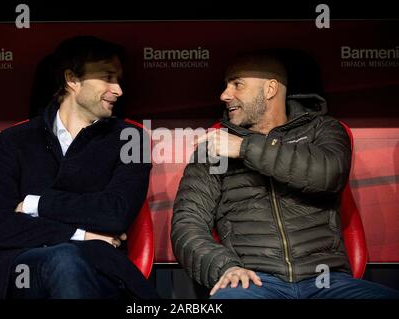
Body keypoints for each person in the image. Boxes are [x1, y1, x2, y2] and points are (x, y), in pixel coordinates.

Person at [171, 50, 399, 299]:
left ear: (270, 89)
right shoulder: (213, 147)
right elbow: (187, 225)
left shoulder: (322, 129)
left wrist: (244, 148)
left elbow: (329, 174)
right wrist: (226, 267)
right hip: (254, 282)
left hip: (326, 281)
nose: (225, 95)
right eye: (226, 85)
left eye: (237, 84)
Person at [0, 36, 158, 299]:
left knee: (67, 262)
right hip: (23, 273)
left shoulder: (133, 139)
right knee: (64, 257)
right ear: (72, 79)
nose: (118, 90)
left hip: (99, 271)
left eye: (119, 80)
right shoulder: (15, 140)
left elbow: (114, 213)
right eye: (107, 77)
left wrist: (34, 205)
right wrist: (80, 234)